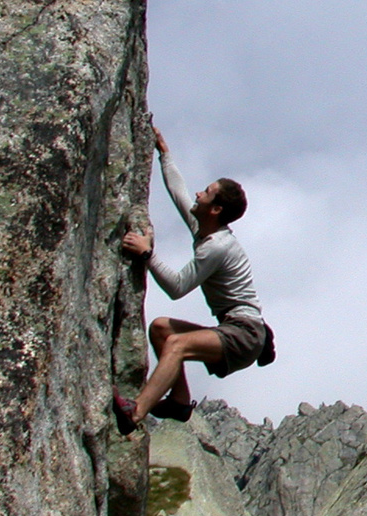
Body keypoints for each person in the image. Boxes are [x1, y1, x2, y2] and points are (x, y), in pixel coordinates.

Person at [114, 127, 273, 434]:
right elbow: (179, 193)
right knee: (161, 328)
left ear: (215, 209)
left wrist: (147, 255)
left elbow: (176, 288)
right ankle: (180, 401)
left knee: (177, 344)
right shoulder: (206, 228)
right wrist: (165, 153)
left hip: (245, 333)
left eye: (207, 192)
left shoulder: (216, 246)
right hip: (237, 326)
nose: (198, 194)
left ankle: (135, 413)